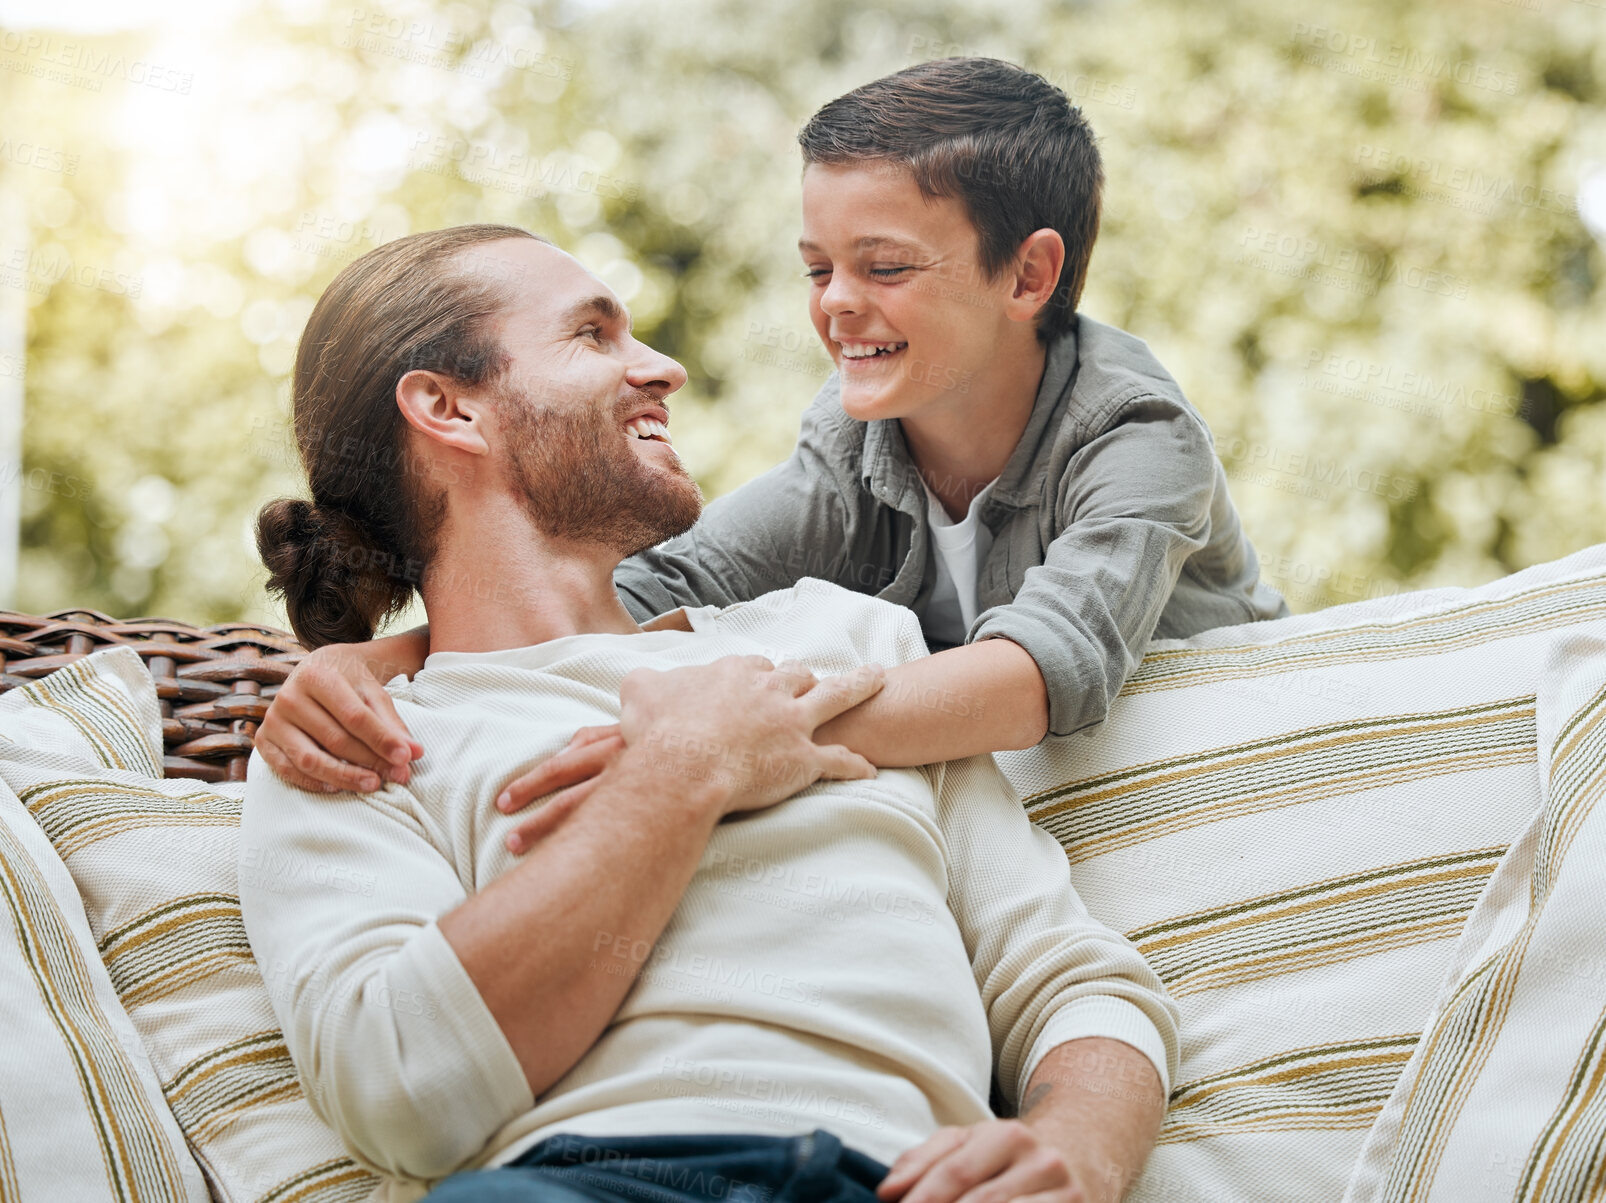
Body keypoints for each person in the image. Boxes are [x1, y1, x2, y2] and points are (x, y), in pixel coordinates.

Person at [241, 224, 1178, 1203]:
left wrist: (1079, 1146)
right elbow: (399, 1093)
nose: (663, 369)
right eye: (595, 336)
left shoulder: (845, 642)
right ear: (448, 408)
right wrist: (683, 769)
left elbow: (1072, 980)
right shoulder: (354, 742)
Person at [250, 58, 1286, 817]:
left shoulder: (1134, 435)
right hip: (1025, 813)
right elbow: (650, 597)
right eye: (816, 268)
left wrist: (728, 743)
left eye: (883, 269)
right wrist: (383, 666)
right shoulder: (854, 448)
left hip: (1216, 781)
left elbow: (1033, 677)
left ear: (1026, 276)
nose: (836, 304)